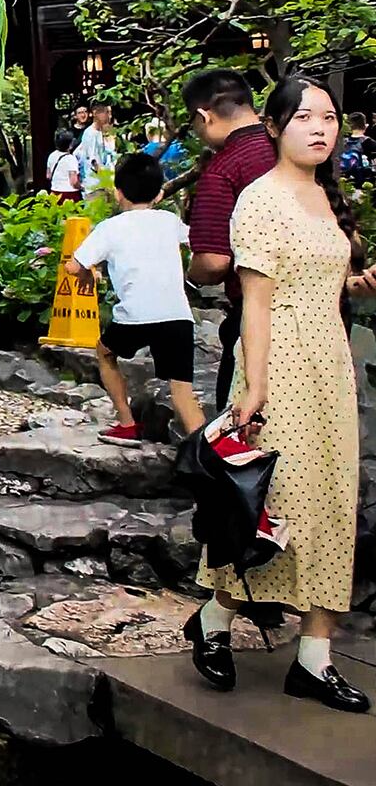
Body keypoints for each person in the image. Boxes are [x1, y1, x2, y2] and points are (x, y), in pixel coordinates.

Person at [185, 75, 372, 713]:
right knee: (272, 512)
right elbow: (256, 304)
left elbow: (322, 279)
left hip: (332, 367)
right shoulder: (260, 200)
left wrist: (355, 282)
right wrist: (254, 388)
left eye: (329, 117)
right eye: (305, 119)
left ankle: (314, 661)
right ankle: (214, 619)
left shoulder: (328, 198)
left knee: (332, 507)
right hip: (279, 367)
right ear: (274, 128)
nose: (321, 128)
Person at [64, 152, 205, 447]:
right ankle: (209, 453)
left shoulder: (110, 228)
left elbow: (73, 266)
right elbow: (197, 242)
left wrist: (91, 274)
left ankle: (127, 423)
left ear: (118, 193)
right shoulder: (170, 220)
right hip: (177, 317)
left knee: (104, 353)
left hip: (135, 317)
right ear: (158, 194)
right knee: (182, 391)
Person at [182, 69, 277, 412]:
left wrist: (190, 273)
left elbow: (213, 262)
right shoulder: (290, 151)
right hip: (321, 318)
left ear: (203, 115)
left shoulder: (225, 168)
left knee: (238, 436)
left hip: (255, 317)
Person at [77, 102, 118, 195]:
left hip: (105, 184)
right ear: (96, 113)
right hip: (95, 186)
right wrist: (107, 182)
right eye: (106, 112)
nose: (109, 116)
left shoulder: (101, 132)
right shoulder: (90, 134)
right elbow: (94, 161)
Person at [45, 126, 81, 200]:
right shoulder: (71, 159)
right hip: (69, 193)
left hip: (54, 192)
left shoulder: (52, 155)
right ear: (70, 145)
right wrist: (82, 187)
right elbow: (73, 182)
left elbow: (48, 175)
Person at [339, 112, 372, 182]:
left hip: (346, 181)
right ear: (364, 125)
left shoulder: (344, 142)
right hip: (363, 183)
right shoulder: (369, 142)